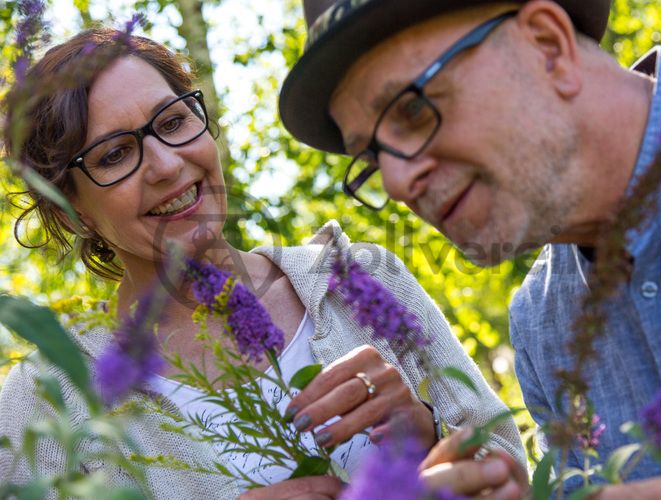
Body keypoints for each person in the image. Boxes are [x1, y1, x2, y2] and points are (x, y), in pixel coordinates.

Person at [0, 27, 524, 498]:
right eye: (113, 155)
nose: (166, 164)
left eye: (174, 121)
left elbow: (513, 476)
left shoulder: (359, 280)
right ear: (71, 214)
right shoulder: (48, 400)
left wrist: (426, 432)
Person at [279, 0, 661, 497]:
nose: (398, 182)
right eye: (372, 160)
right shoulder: (543, 325)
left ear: (548, 46)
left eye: (413, 109)